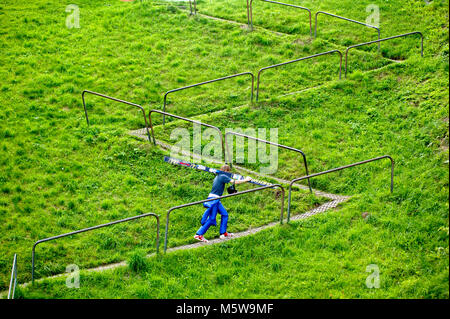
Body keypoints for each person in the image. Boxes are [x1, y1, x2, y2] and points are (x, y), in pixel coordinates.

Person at [194, 164, 251, 242]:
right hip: (214, 199)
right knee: (212, 218)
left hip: (216, 199)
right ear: (225, 171)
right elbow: (234, 182)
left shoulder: (218, 176)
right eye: (228, 171)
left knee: (224, 214)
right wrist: (246, 180)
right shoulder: (222, 176)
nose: (228, 173)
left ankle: (223, 233)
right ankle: (199, 234)